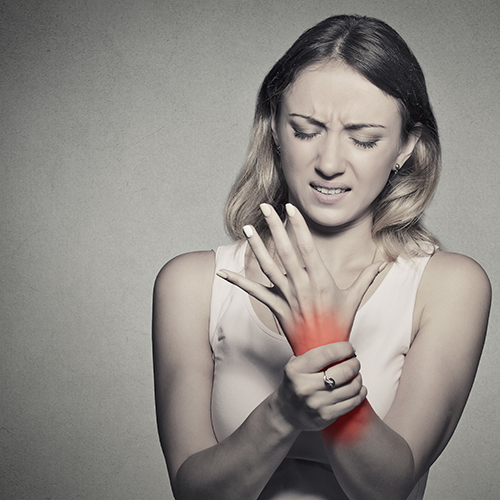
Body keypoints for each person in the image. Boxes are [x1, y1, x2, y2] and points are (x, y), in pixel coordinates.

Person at [152, 15, 491, 500]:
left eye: (364, 138)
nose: (330, 163)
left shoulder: (448, 286)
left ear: (406, 148)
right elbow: (195, 492)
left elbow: (389, 487)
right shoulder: (190, 285)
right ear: (274, 129)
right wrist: (284, 413)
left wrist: (323, 349)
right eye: (307, 131)